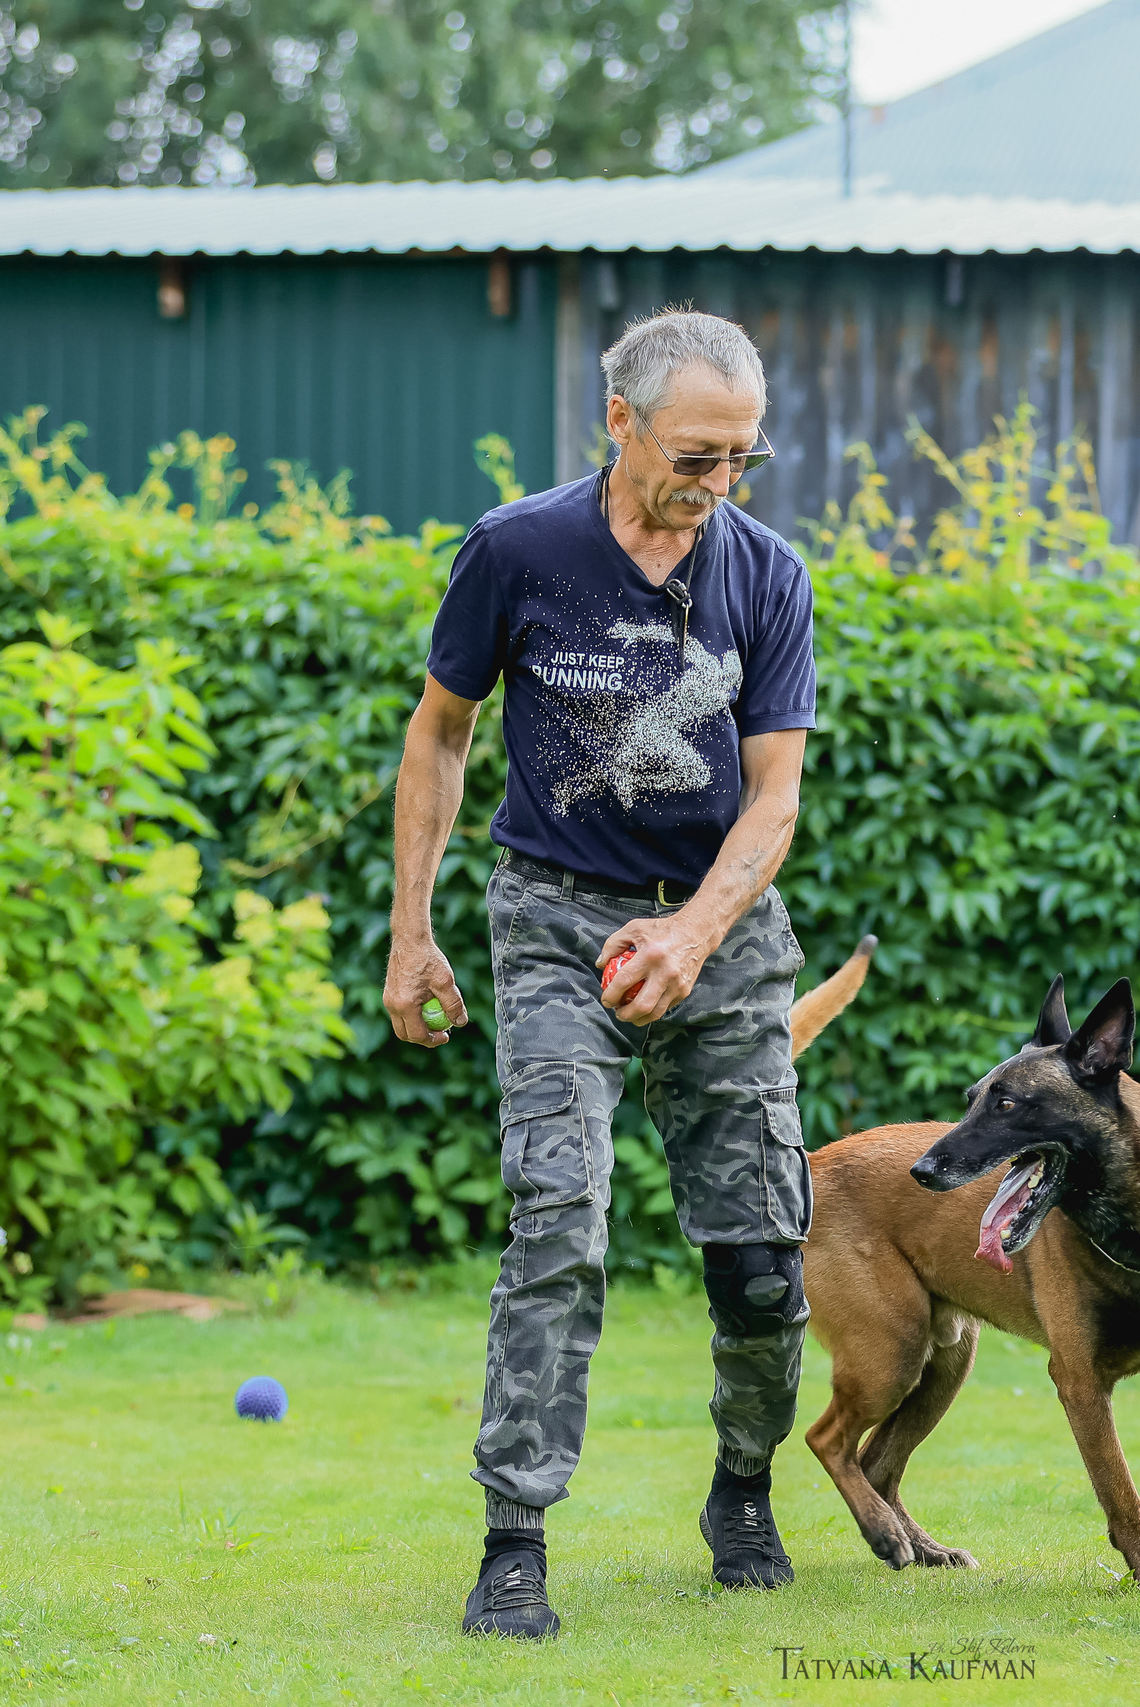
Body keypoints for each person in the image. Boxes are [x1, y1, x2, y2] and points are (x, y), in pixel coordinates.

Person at [383, 309, 816, 1641]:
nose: (719, 482)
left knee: (762, 1264)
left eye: (742, 458)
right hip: (557, 925)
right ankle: (514, 1542)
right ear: (620, 421)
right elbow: (441, 734)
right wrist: (411, 930)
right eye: (696, 455)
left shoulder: (768, 576)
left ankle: (743, 1489)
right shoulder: (519, 549)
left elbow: (775, 800)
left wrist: (692, 936)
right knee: (557, 1222)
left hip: (720, 936)